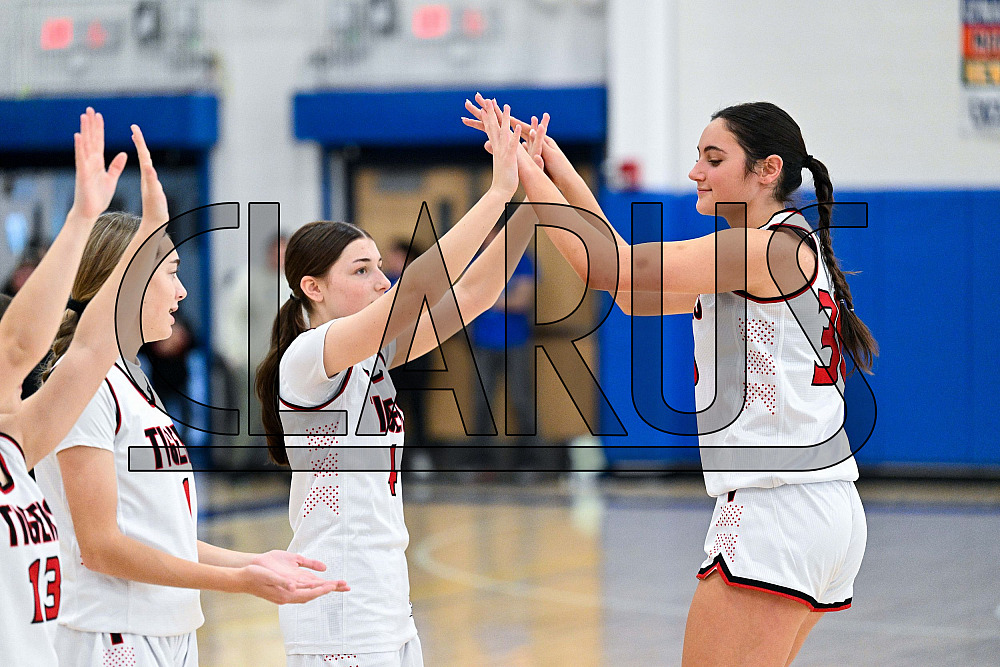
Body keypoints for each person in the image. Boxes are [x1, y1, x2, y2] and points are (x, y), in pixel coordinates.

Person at [465, 97, 877, 666]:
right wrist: (554, 163)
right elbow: (627, 292)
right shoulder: (775, 246)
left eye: (714, 159)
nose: (695, 172)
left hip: (778, 508)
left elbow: (609, 265)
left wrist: (521, 171)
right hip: (813, 506)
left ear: (768, 170)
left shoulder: (759, 248)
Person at [33, 124, 347, 667]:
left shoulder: (132, 378)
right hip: (110, 637)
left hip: (167, 628)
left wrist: (251, 563)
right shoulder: (83, 387)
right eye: (172, 274)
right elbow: (100, 548)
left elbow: (161, 536)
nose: (182, 292)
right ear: (126, 283)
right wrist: (239, 582)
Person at [255, 99, 540, 666]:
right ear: (312, 287)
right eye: (361, 271)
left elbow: (475, 294)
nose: (380, 281)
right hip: (338, 605)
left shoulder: (371, 356)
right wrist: (496, 194)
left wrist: (532, 196)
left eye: (378, 268)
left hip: (384, 597)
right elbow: (419, 288)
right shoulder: (308, 356)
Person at [0, 107, 134, 667]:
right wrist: (80, 223)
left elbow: (89, 345)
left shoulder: (16, 445)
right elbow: (19, 346)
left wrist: (101, 223)